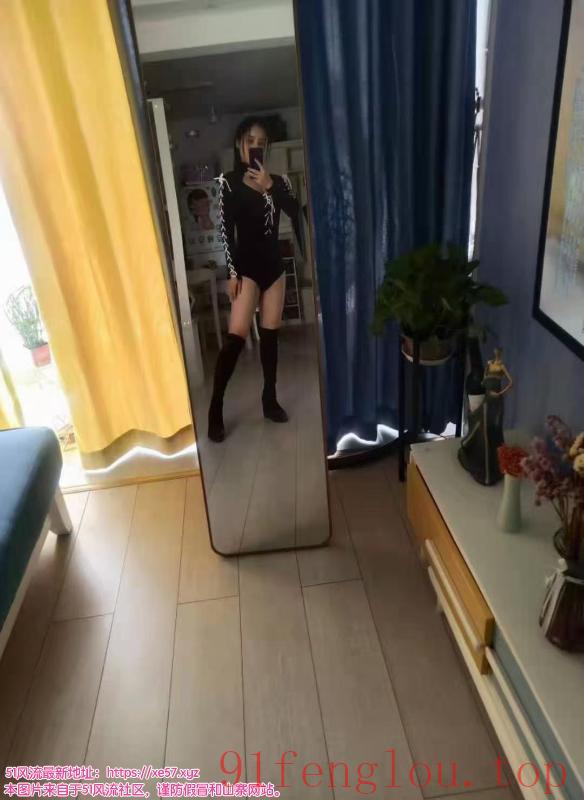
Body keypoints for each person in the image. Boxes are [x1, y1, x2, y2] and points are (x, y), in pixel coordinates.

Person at [207, 116, 300, 442]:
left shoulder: (280, 181)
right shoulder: (228, 182)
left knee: (271, 337)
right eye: (250, 141)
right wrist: (232, 272)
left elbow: (296, 213)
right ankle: (215, 407)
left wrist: (270, 185)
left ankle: (269, 400)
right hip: (246, 269)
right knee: (236, 338)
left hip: (274, 268)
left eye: (261, 142)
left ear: (267, 147)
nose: (255, 146)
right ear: (239, 145)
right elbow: (225, 230)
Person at [458, 347, 514, 485]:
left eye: (499, 352)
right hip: (488, 395)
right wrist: (484, 384)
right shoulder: (489, 364)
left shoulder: (501, 366)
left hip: (496, 397)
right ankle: (477, 449)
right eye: (496, 352)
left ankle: (490, 464)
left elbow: (510, 381)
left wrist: (501, 393)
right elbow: (484, 376)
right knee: (480, 421)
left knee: (493, 426)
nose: (497, 353)